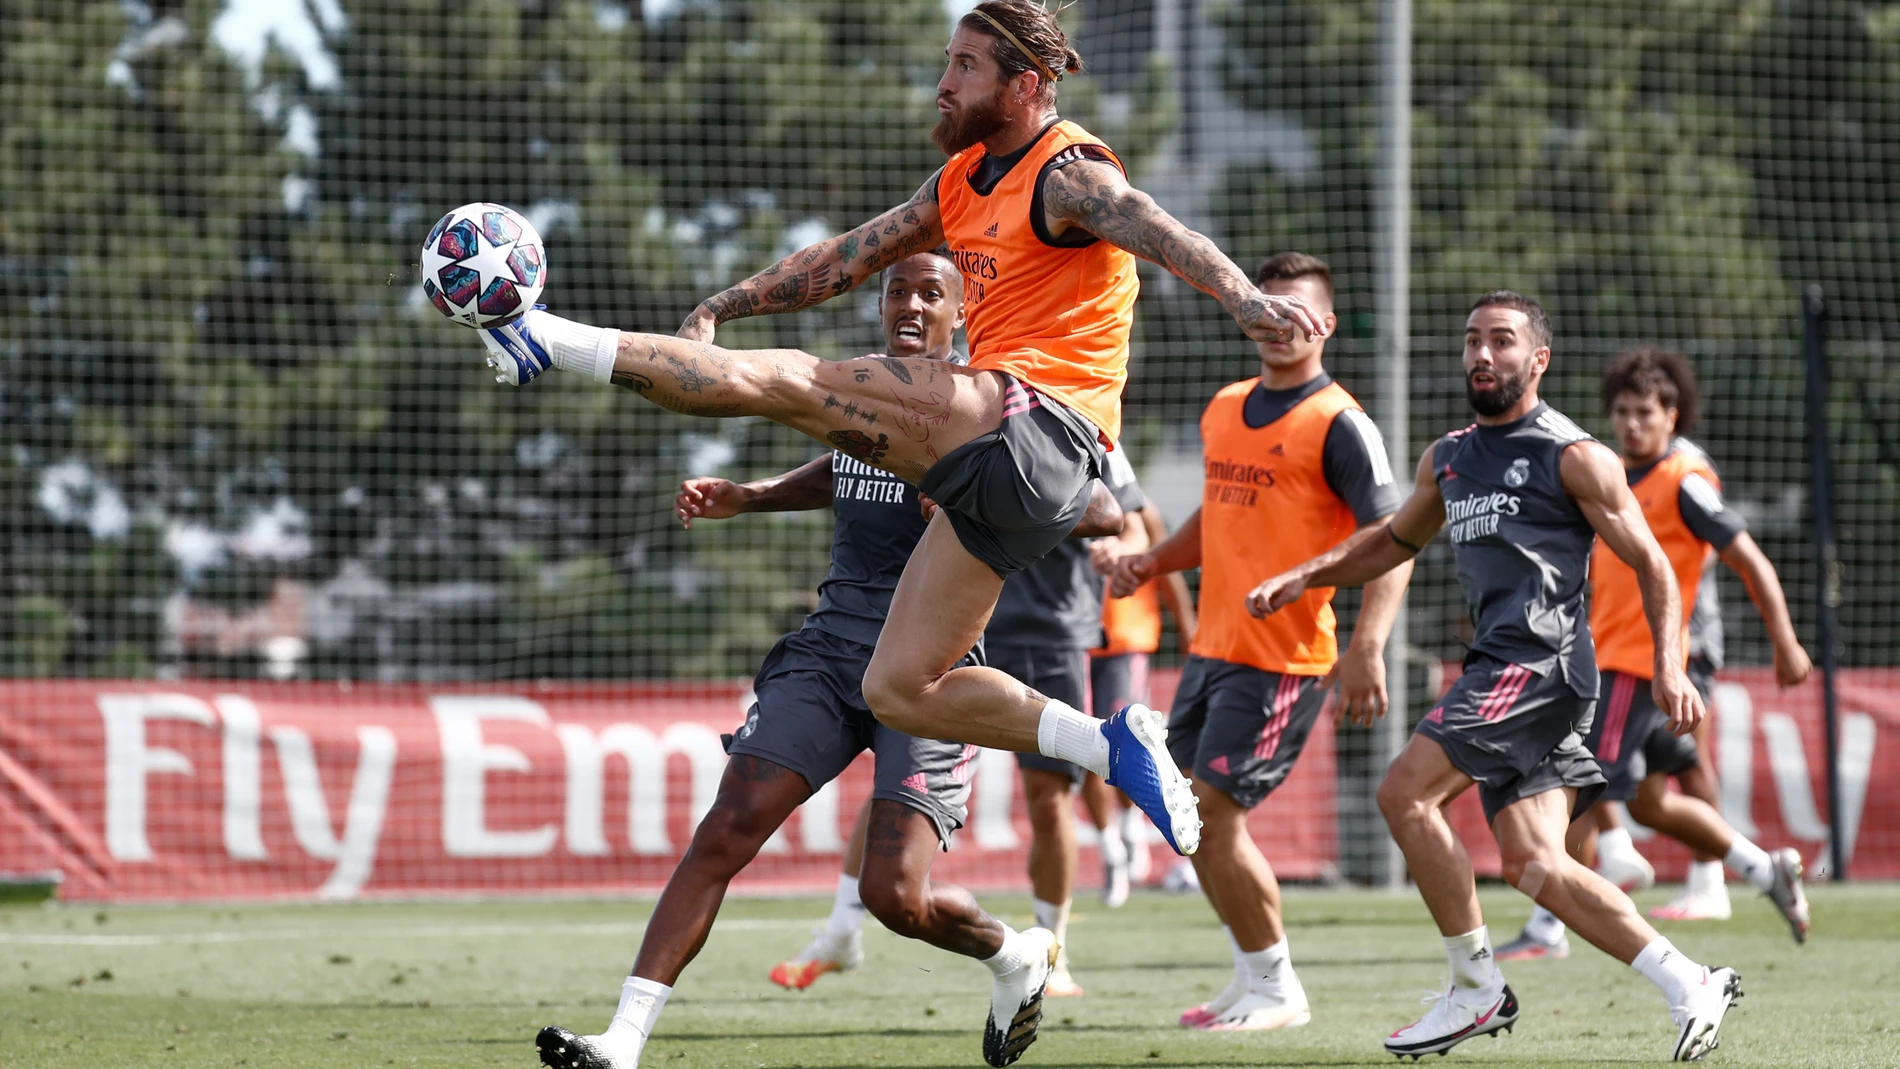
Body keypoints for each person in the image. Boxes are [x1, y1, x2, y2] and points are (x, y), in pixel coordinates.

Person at [475, 0, 1332, 869]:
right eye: (947, 61)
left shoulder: (1065, 170)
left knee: (794, 384)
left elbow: (1159, 227)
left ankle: (544, 338)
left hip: (1036, 424)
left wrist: (1247, 301)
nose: (943, 82)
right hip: (1008, 482)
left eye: (965, 66)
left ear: (1023, 86)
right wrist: (723, 303)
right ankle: (1113, 747)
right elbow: (844, 256)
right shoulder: (959, 182)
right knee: (903, 687)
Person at [532, 253, 1118, 1069]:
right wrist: (756, 495)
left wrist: (969, 492)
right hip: (830, 651)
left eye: (931, 293)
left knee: (895, 898)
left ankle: (1015, 956)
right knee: (726, 828)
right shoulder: (869, 389)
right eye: (897, 290)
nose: (910, 304)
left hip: (928, 679)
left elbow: (1096, 502)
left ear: (963, 316)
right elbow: (842, 464)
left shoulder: (986, 417)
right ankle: (621, 1042)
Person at [1248, 293, 1742, 1062]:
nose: (1482, 354)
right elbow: (1393, 541)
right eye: (1472, 340)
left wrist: (1670, 664)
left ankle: (1475, 990)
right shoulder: (1447, 457)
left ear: (1536, 359)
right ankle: (1691, 983)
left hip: (1536, 663)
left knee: (1402, 791)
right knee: (1536, 864)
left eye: (1502, 341)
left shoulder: (1572, 453)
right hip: (1507, 666)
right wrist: (1308, 573)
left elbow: (1655, 564)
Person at [1108, 253, 1408, 1032]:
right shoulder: (1226, 406)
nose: (1281, 325)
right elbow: (1216, 520)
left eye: (1298, 312)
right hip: (1214, 648)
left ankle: (1280, 988)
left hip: (1284, 659)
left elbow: (1393, 538)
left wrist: (1368, 645)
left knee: (1211, 810)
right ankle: (1251, 978)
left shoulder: (1341, 422)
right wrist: (1150, 560)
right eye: (1266, 309)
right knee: (1187, 818)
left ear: (1328, 325)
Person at [769, 445, 1149, 1002]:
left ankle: (1054, 952)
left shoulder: (1078, 428)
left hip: (1042, 628)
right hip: (951, 620)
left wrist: (1121, 549)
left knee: (1047, 796)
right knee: (897, 780)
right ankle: (841, 931)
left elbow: (1131, 522)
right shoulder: (958, 412)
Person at [1498, 349, 1812, 961]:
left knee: (1575, 780)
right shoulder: (1608, 473)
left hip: (1644, 664)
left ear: (1672, 416)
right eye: (1622, 412)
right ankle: (1763, 867)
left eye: (1645, 412)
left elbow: (1750, 559)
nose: (1632, 423)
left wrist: (1785, 639)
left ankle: (1546, 929)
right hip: (1606, 655)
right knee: (1650, 800)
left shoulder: (1685, 482)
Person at [1086, 495, 1197, 905]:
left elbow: (1166, 572)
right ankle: (1110, 850)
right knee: (1078, 753)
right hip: (1070, 641)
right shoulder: (1047, 487)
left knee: (1123, 741)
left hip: (1124, 641)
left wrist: (1189, 632)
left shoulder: (1138, 506)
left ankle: (1132, 827)